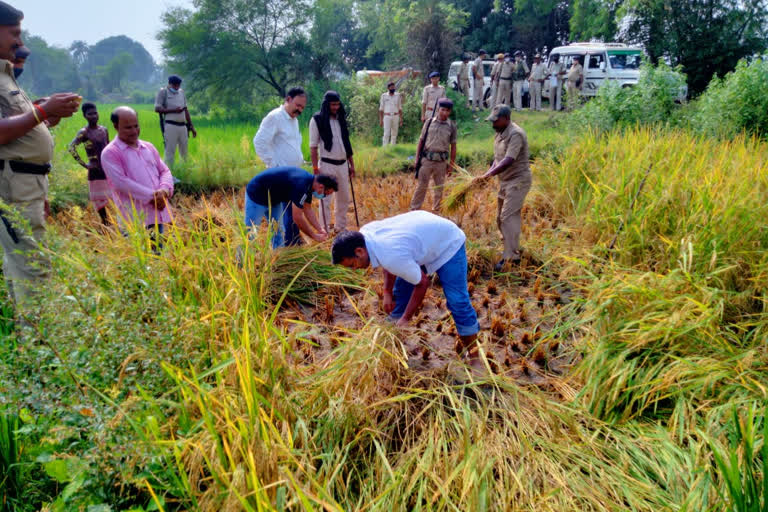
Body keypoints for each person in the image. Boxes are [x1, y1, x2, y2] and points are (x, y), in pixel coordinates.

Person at [0, 1, 80, 310]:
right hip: (13, 184)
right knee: (33, 271)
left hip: (26, 183)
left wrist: (41, 115)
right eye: (14, 33)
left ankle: (29, 346)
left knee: (22, 268)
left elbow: (13, 129)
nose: (20, 43)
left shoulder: (6, 76)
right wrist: (42, 111)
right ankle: (41, 351)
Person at [331, 211, 480, 355]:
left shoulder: (390, 253)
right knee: (401, 292)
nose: (355, 269)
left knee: (458, 302)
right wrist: (387, 292)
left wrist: (406, 319)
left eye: (352, 264)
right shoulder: (365, 236)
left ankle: (474, 356)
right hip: (421, 242)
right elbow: (388, 261)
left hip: (447, 243)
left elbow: (422, 283)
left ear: (359, 252)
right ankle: (392, 334)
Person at [100, 107, 175, 237]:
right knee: (138, 255)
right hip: (134, 219)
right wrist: (153, 197)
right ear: (116, 126)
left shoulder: (148, 147)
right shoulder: (111, 152)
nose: (134, 131)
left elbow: (164, 171)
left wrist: (164, 190)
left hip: (156, 213)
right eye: (128, 127)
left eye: (136, 126)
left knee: (159, 253)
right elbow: (121, 182)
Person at [473, 105, 531, 271]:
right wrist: (485, 174)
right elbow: (497, 161)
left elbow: (508, 160)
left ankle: (511, 257)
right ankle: (510, 247)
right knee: (500, 218)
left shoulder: (516, 134)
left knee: (508, 216)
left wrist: (488, 176)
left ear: (506, 118)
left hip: (518, 180)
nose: (493, 124)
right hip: (505, 181)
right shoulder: (499, 134)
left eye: (495, 121)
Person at [244, 167, 337, 248]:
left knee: (278, 231)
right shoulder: (302, 184)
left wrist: (319, 229)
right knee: (250, 233)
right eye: (326, 194)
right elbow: (297, 217)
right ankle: (242, 264)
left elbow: (307, 209)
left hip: (274, 200)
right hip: (256, 195)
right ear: (321, 187)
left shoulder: (310, 184)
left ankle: (278, 259)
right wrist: (314, 236)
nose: (324, 196)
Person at [310, 90, 355, 233]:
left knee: (344, 197)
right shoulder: (316, 120)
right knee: (325, 199)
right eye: (333, 105)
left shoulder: (340, 118)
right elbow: (313, 146)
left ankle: (340, 228)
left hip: (342, 164)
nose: (335, 107)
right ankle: (324, 230)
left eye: (337, 104)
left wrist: (351, 164)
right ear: (326, 105)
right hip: (327, 165)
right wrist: (316, 170)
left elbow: (347, 143)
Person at [411, 98, 456, 213]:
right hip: (426, 160)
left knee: (439, 188)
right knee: (422, 186)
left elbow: (453, 146)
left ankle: (436, 210)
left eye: (448, 110)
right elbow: (421, 141)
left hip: (441, 162)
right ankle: (414, 209)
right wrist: (417, 159)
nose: (445, 113)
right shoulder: (429, 122)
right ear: (438, 109)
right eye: (443, 110)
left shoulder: (451, 126)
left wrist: (451, 165)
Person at [68, 102, 110, 225]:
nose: (93, 116)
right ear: (84, 116)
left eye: (95, 113)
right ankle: (106, 224)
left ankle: (113, 224)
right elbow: (71, 148)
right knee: (100, 201)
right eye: (90, 114)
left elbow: (108, 147)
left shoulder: (104, 130)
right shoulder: (84, 132)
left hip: (107, 168)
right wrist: (85, 165)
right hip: (95, 170)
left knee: (113, 197)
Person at [253, 87, 307, 168]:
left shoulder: (295, 120)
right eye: (298, 105)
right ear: (289, 99)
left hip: (293, 172)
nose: (300, 110)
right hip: (280, 174)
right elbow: (259, 142)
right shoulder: (275, 117)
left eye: (302, 107)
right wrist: (275, 166)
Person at [154, 75, 196, 166]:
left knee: (184, 152)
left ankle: (184, 171)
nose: (177, 87)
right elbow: (157, 109)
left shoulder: (181, 93)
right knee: (170, 152)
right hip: (170, 125)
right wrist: (174, 110)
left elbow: (186, 110)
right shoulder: (163, 92)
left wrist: (191, 127)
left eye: (178, 85)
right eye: (175, 85)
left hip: (183, 126)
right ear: (169, 84)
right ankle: (169, 174)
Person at [379, 81, 402, 146]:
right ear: (388, 88)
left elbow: (400, 108)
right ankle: (385, 148)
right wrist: (380, 120)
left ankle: (393, 147)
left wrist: (401, 119)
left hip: (396, 115)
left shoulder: (398, 95)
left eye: (394, 87)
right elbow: (381, 109)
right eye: (391, 87)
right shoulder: (384, 96)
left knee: (394, 133)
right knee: (386, 133)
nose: (393, 88)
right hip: (387, 116)